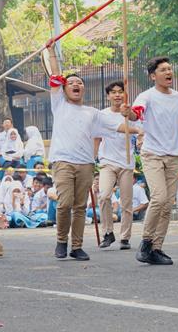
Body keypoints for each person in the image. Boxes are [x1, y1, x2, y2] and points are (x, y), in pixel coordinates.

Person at [47, 45, 125, 261]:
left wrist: (137, 128)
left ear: (84, 89)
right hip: (62, 161)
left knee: (80, 206)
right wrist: (52, 52)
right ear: (63, 89)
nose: (76, 85)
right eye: (71, 83)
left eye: (79, 83)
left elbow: (116, 125)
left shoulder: (92, 113)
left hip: (86, 164)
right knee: (64, 203)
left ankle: (77, 246)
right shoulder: (59, 104)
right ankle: (61, 241)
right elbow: (55, 75)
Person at [121, 56, 178, 266]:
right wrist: (128, 112)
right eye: (163, 70)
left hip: (173, 155)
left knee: (167, 204)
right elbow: (135, 114)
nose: (168, 73)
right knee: (158, 197)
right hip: (152, 154)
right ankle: (146, 242)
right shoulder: (146, 97)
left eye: (170, 69)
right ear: (153, 76)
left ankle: (157, 248)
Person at [96, 80, 141, 251]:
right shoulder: (102, 115)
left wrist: (130, 117)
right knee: (104, 196)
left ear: (125, 94)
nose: (117, 95)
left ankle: (125, 237)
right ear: (108, 96)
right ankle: (108, 232)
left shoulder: (130, 114)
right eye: (113, 92)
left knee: (126, 202)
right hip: (107, 161)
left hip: (127, 163)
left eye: (120, 92)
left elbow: (139, 130)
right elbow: (97, 137)